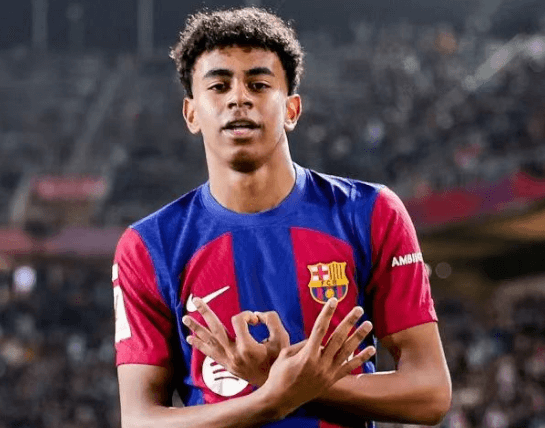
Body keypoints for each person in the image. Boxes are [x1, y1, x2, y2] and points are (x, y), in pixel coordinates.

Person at [112, 6, 451, 428]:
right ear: (191, 113)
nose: (238, 98)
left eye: (258, 84)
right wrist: (270, 400)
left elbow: (430, 393)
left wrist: (287, 385)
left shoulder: (370, 213)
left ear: (291, 110)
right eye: (218, 86)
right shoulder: (149, 246)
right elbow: (140, 420)